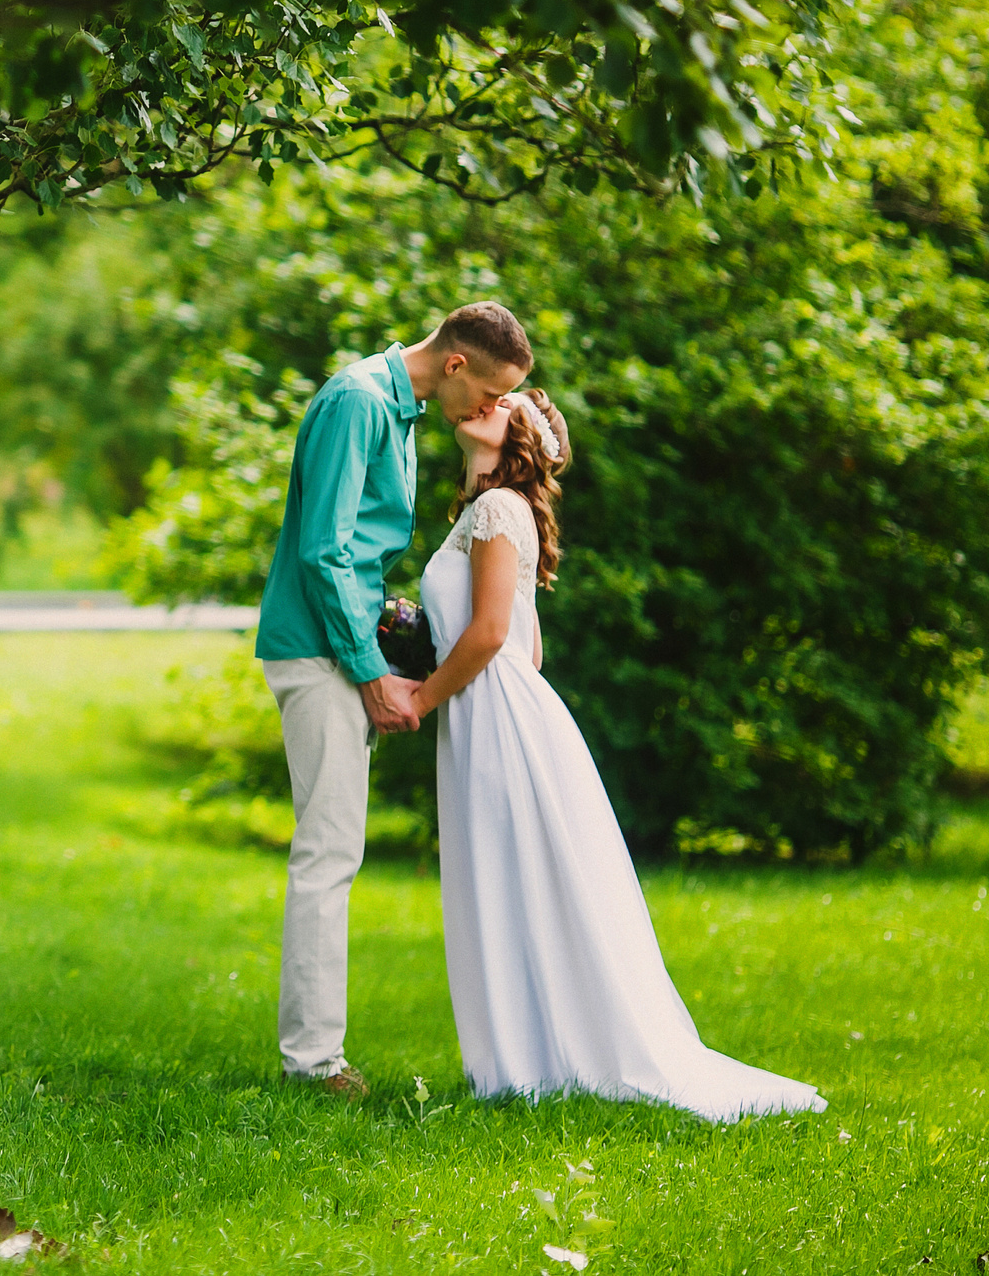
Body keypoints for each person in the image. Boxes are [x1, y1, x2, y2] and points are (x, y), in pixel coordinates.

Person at [411, 389, 826, 1120]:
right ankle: (523, 1059)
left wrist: (420, 699)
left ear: (519, 439)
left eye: (501, 403)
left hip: (496, 715)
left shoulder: (500, 507)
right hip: (497, 709)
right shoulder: (488, 510)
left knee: (512, 878)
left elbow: (491, 635)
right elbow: (529, 647)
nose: (481, 403)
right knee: (510, 881)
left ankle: (528, 1064)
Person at [253, 302, 532, 1097]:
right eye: (489, 393)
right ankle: (313, 1063)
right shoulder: (359, 401)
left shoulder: (400, 414)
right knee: (328, 851)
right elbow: (326, 550)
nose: (489, 410)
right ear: (455, 364)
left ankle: (316, 1055)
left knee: (336, 847)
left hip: (342, 645)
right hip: (319, 649)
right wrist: (371, 669)